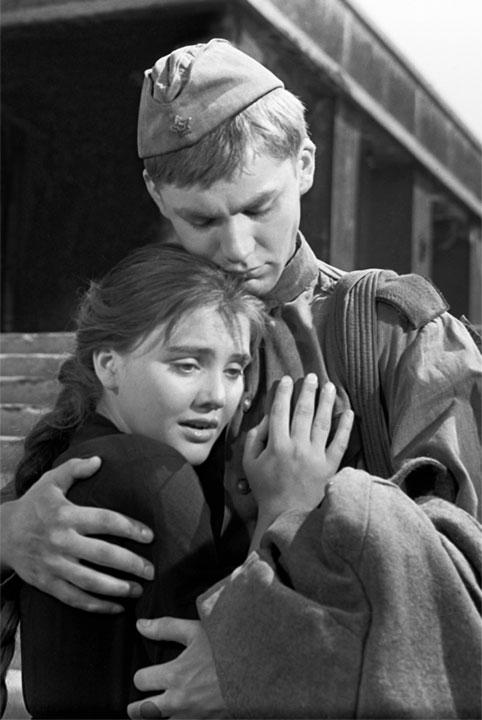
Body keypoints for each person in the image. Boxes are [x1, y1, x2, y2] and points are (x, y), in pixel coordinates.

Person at [1, 39, 481, 718]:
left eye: (258, 208)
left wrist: (259, 658)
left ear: (304, 164)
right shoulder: (142, 325)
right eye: (200, 219)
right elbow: (55, 474)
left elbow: (457, 576)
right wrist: (11, 531)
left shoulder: (393, 334)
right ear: (156, 195)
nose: (234, 248)